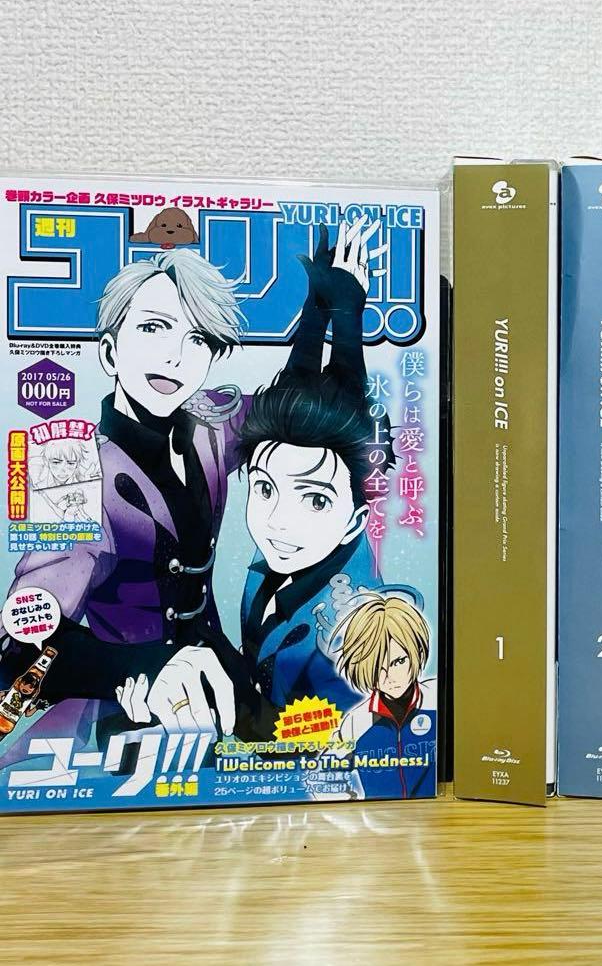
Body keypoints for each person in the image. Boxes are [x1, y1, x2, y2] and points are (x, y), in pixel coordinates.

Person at [0, 221, 373, 754]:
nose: (175, 355)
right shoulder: (71, 470)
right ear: (110, 353)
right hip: (126, 705)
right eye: (153, 328)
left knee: (328, 746)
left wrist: (329, 309)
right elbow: (23, 643)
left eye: (196, 338)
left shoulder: (210, 422)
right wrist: (149, 669)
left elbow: (309, 420)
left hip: (228, 684)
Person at [236, 217, 392, 736]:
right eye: (264, 489)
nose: (279, 520)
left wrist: (345, 314)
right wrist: (323, 306)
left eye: (316, 501)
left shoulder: (353, 623)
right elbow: (319, 400)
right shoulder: (280, 556)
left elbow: (324, 736)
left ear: (355, 522)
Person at [328, 591, 436, 800]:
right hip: (379, 815)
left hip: (435, 810)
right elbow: (326, 771)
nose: (390, 677)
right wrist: (350, 806)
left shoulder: (437, 700)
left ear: (418, 652)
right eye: (378, 668)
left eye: (398, 662)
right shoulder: (356, 722)